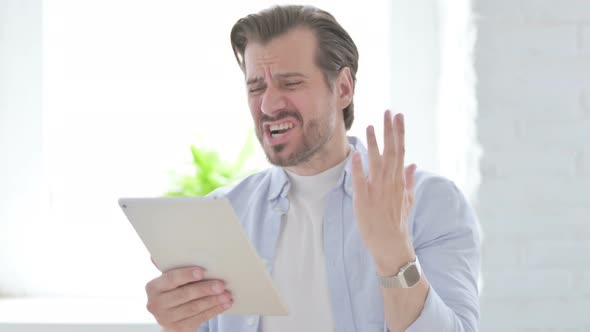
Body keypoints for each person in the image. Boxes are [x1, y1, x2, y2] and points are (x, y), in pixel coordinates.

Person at [144, 5, 480, 332]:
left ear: (343, 88)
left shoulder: (430, 203)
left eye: (291, 84)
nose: (268, 104)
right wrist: (175, 326)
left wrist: (395, 255)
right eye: (256, 86)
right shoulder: (223, 213)